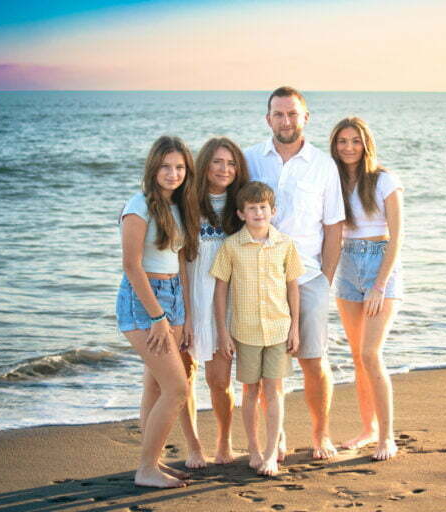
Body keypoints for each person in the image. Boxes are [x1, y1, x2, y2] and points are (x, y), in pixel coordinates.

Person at [244, 86, 345, 459]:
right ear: (268, 118)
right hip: (258, 284)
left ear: (306, 117)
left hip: (308, 279)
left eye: (293, 114)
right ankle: (276, 437)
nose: (286, 121)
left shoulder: (323, 165)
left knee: (314, 361)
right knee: (263, 369)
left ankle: (321, 435)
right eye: (279, 114)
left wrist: (326, 278)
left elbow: (334, 225)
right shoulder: (249, 158)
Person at [115, 135, 199, 487]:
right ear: (153, 168)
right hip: (144, 302)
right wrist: (157, 317)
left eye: (179, 167)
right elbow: (132, 266)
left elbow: (180, 260)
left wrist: (187, 315)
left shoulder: (177, 206)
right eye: (166, 166)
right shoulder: (139, 205)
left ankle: (153, 462)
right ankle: (146, 469)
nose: (173, 173)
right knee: (178, 389)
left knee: (155, 385)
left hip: (174, 297)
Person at [210, 181, 304, 476]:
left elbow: (293, 287)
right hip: (245, 331)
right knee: (250, 391)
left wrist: (295, 328)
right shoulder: (231, 246)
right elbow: (220, 291)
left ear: (273, 211)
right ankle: (253, 448)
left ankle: (270, 453)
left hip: (279, 329)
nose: (258, 213)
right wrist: (223, 333)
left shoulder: (285, 244)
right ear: (241, 213)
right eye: (252, 209)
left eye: (263, 208)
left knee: (275, 391)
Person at [330, 117, 404, 461]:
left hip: (379, 267)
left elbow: (397, 236)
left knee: (372, 354)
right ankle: (367, 429)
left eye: (354, 141)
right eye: (342, 141)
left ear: (365, 144)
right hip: (346, 266)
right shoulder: (333, 181)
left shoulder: (384, 180)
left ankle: (387, 437)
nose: (348, 147)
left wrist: (379, 285)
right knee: (358, 357)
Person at [183, 137, 249, 466]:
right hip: (190, 296)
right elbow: (178, 259)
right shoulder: (187, 203)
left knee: (219, 380)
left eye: (232, 163)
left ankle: (224, 442)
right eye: (218, 162)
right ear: (205, 164)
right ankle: (194, 445)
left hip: (227, 302)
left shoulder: (242, 206)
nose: (225, 169)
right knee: (183, 377)